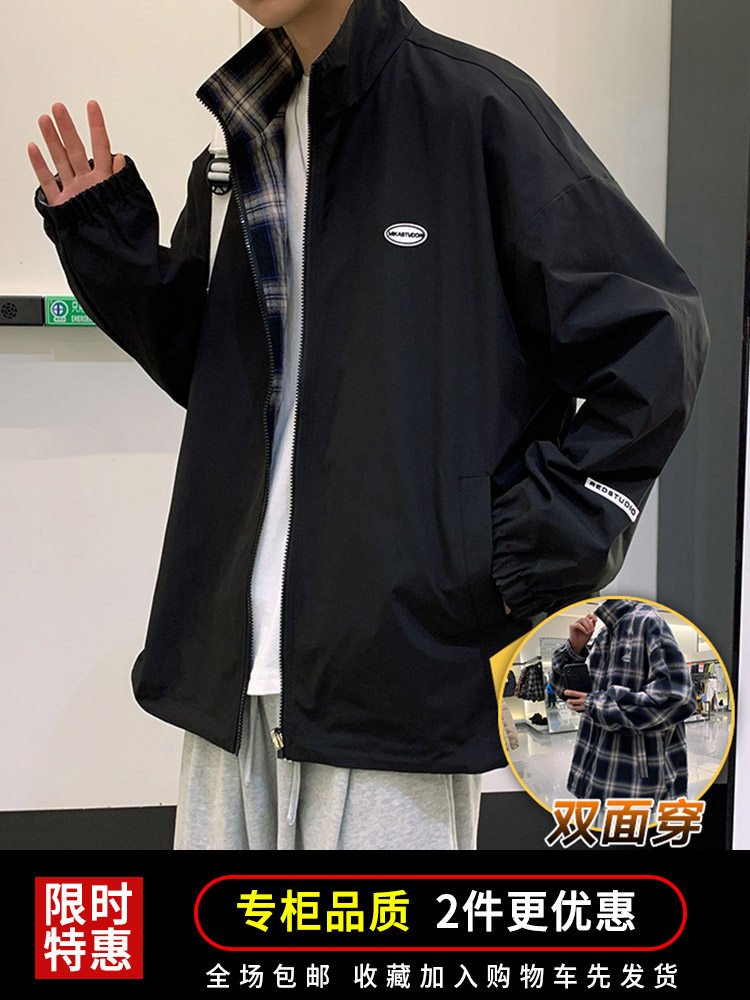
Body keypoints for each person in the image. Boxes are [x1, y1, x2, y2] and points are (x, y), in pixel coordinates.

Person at [28, 0, 709, 850]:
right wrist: (110, 247)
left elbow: (654, 341)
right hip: (232, 660)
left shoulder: (472, 110)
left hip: (395, 660)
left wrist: (527, 548)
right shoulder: (246, 133)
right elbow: (225, 379)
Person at [550, 600, 696, 803]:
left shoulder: (647, 621)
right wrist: (574, 650)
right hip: (593, 774)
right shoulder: (603, 635)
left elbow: (679, 699)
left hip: (638, 784)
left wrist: (598, 705)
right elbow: (569, 694)